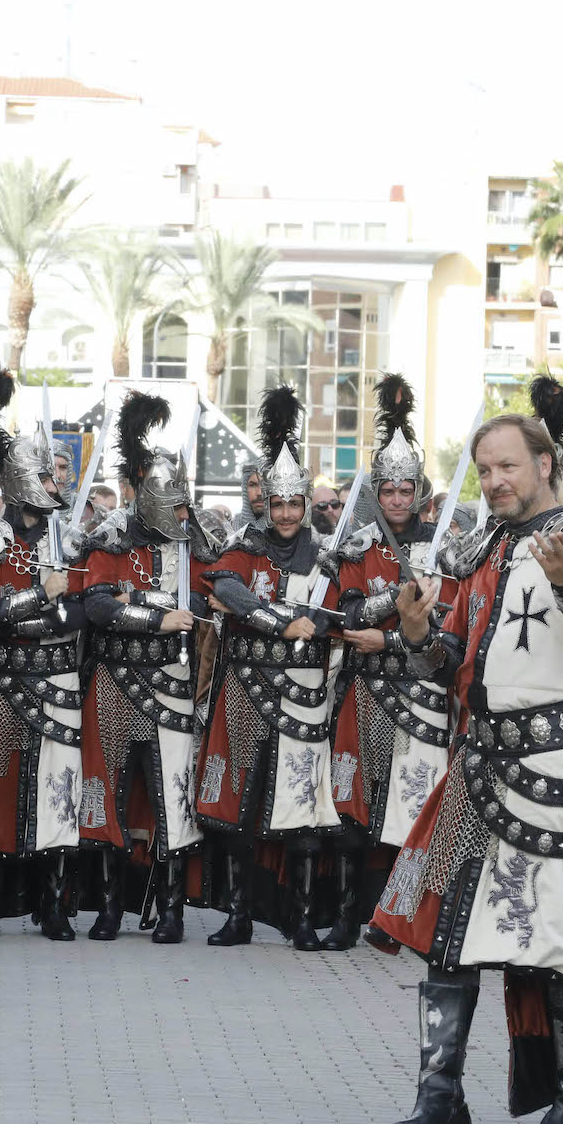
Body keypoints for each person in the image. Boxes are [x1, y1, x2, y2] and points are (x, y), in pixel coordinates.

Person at [374, 391, 563, 1124]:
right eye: (483, 469)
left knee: (555, 938)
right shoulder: (483, 551)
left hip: (557, 769)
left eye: (507, 465)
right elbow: (455, 661)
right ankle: (440, 1097)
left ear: (545, 464)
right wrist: (417, 637)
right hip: (479, 767)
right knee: (446, 933)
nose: (495, 479)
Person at [194, 386, 343, 947]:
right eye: (276, 503)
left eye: (292, 504)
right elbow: (224, 587)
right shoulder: (245, 542)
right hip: (245, 683)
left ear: (304, 504)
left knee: (302, 805)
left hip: (305, 689)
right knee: (241, 804)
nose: (283, 513)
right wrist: (280, 620)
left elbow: (343, 611)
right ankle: (238, 916)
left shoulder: (327, 551)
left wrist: (319, 623)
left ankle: (301, 918)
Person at [74, 391, 213, 943]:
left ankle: (173, 908)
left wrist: (181, 609)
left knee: (171, 795)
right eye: (175, 505)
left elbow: (211, 596)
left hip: (172, 684)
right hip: (115, 681)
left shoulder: (191, 547)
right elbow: (98, 605)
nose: (182, 514)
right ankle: (110, 907)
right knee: (108, 793)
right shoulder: (109, 538)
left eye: (185, 504)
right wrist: (157, 612)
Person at [0, 369, 86, 941]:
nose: (52, 482)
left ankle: (53, 903)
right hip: (5, 679)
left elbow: (88, 613)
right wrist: (39, 597)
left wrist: (50, 608)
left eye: (54, 472)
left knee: (57, 789)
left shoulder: (73, 542)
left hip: (59, 677)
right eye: (42, 473)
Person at [324, 375, 448, 951]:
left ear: (419, 493)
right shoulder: (357, 547)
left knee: (416, 808)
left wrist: (393, 637)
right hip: (365, 691)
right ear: (377, 492)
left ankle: (404, 921)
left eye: (406, 491)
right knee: (354, 809)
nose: (397, 501)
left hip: (422, 691)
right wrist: (394, 604)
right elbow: (347, 613)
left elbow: (452, 629)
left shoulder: (447, 547)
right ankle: (348, 916)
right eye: (388, 491)